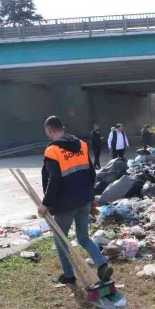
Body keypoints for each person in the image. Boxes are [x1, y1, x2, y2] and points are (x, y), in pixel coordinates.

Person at [40, 116, 113, 285]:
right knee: (83, 237)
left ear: (49, 131)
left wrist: (46, 203)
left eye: (48, 133)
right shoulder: (81, 144)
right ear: (63, 127)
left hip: (65, 204)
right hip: (84, 200)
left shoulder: (52, 150)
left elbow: (54, 180)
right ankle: (102, 264)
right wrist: (91, 197)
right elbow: (90, 173)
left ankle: (68, 275)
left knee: (60, 240)